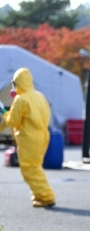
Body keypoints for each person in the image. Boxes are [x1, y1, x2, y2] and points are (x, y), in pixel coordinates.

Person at [0, 68, 55, 207]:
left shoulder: (21, 99)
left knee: (30, 169)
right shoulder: (40, 96)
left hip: (29, 138)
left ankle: (47, 196)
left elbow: (13, 121)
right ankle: (39, 196)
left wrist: (4, 112)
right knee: (35, 167)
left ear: (17, 83)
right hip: (43, 135)